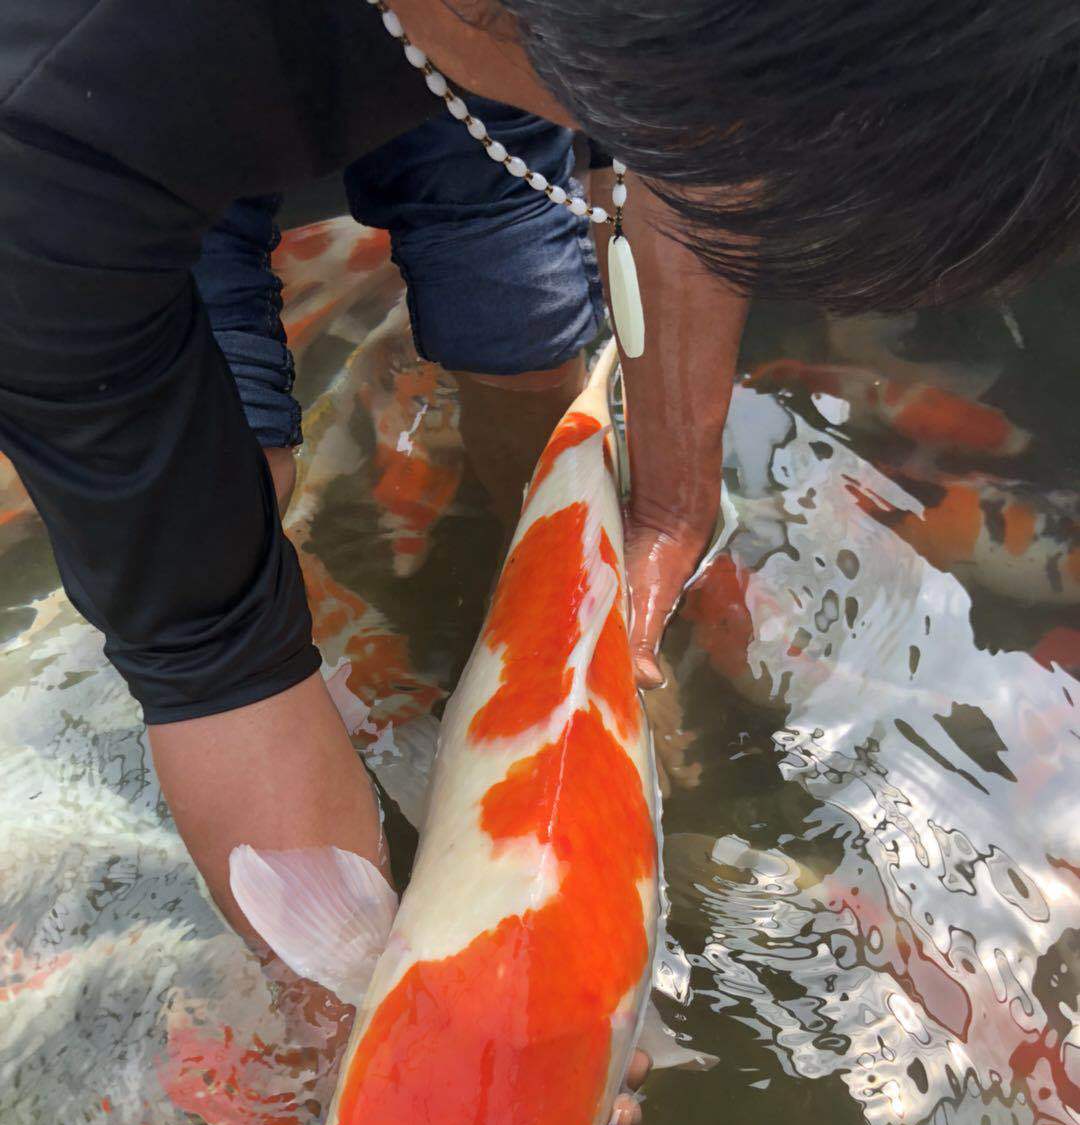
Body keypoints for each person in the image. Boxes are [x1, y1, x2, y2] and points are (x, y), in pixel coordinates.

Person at [1, 0, 1077, 937]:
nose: (712, 169)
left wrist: (662, 515)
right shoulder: (46, 137)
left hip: (502, 51)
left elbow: (710, 165)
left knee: (537, 386)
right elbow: (214, 669)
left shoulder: (669, 72)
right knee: (244, 489)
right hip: (128, 133)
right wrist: (368, 1031)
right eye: (711, 142)